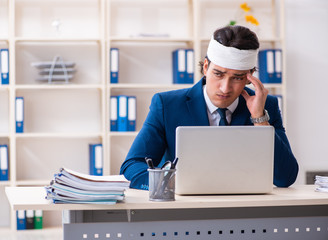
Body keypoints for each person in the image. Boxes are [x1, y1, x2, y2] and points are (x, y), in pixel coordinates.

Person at [120, 25, 298, 190]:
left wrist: (259, 119)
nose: (225, 88)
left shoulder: (266, 107)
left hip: (245, 209)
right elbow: (132, 165)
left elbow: (285, 177)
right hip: (184, 208)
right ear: (206, 67)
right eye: (218, 74)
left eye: (237, 77)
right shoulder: (167, 105)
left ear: (250, 76)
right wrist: (172, 182)